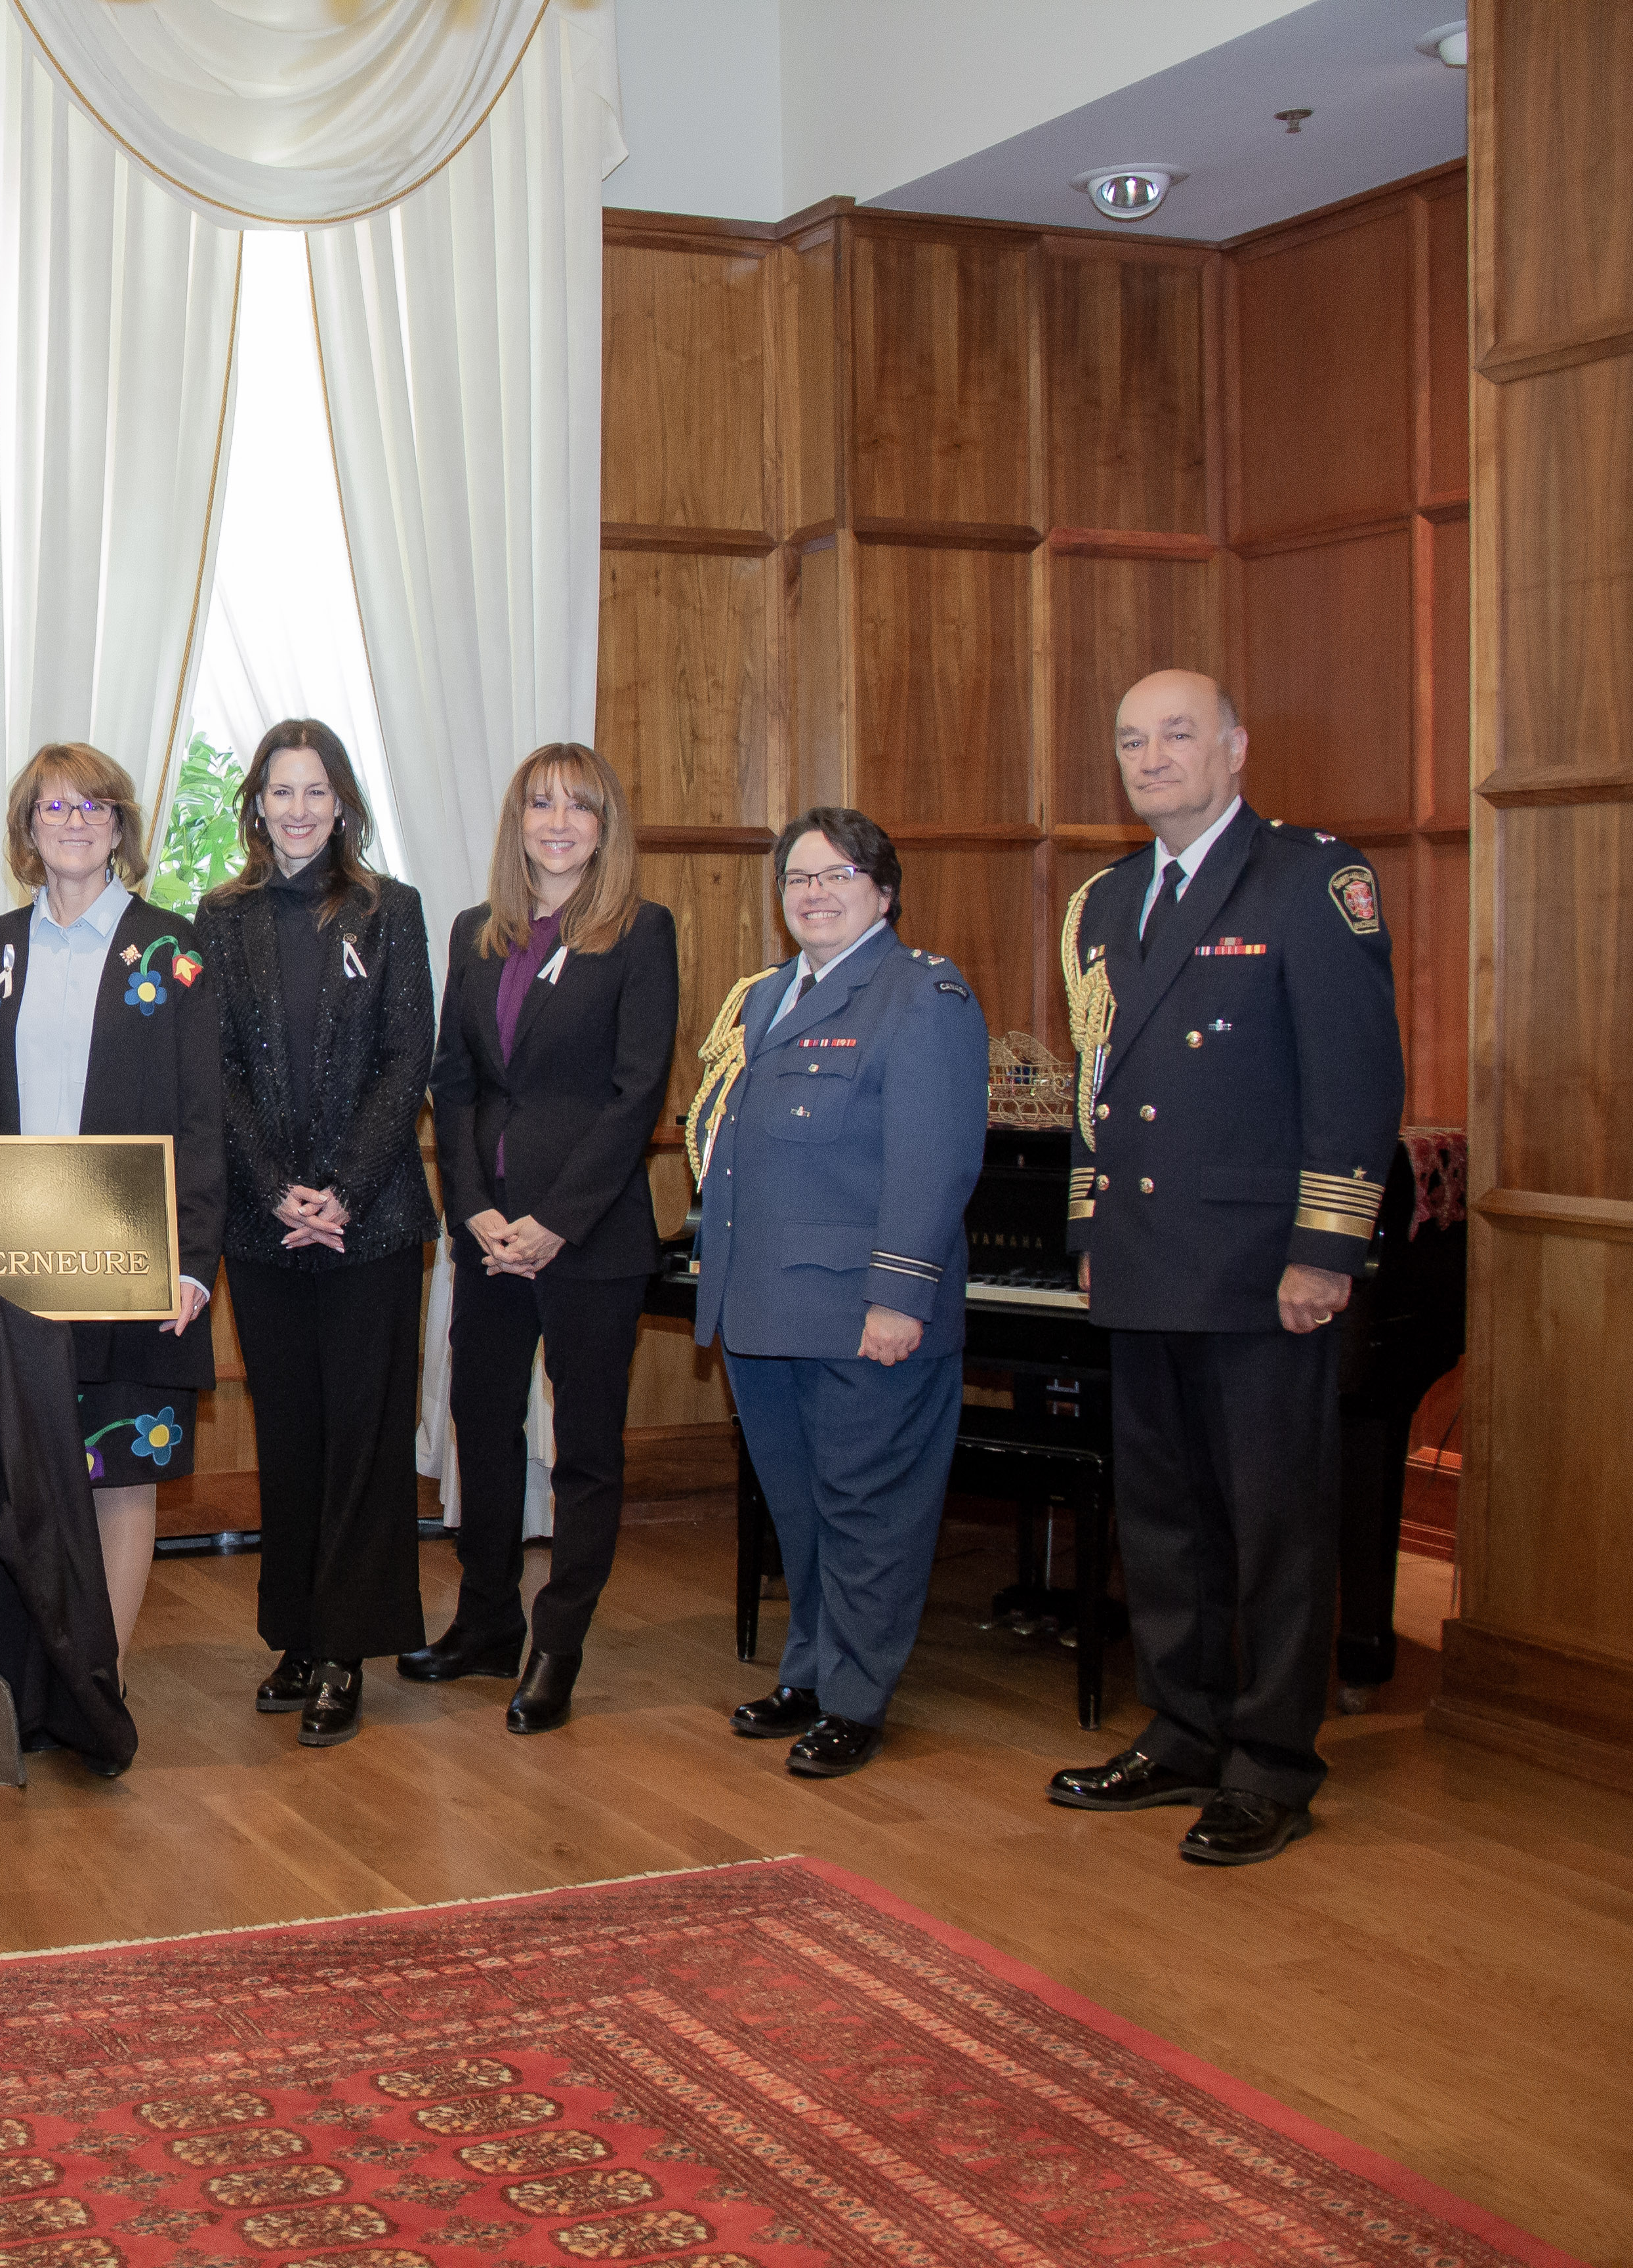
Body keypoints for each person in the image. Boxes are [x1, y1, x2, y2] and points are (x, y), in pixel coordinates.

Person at [1046, 669, 1403, 1866]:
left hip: (1261, 1268)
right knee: (1164, 1520)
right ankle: (1186, 1728)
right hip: (1146, 1263)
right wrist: (1092, 1231)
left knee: (1275, 1525)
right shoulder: (1105, 902)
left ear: (1236, 747)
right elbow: (1100, 1089)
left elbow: (1356, 1083)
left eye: (1178, 735)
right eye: (1132, 740)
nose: (1152, 758)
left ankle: (1273, 1762)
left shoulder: (1311, 881)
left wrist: (1325, 1249)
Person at [684, 808, 987, 1781]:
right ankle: (810, 1672)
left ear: (883, 891)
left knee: (869, 1514)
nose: (813, 893)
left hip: (865, 1315)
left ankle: (856, 1699)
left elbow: (935, 1164)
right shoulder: (768, 996)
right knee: (804, 1510)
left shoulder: (920, 995)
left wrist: (900, 1297)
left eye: (837, 874)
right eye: (798, 879)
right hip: (765, 1312)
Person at [412, 743, 680, 1733]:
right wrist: (475, 1206)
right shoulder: (476, 933)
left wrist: (555, 1222)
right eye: (540, 804)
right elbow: (457, 1081)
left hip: (590, 1239)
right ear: (516, 822)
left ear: (606, 825)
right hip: (488, 1236)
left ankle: (555, 1643)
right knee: (482, 1430)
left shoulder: (641, 934)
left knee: (587, 1452)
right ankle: (484, 1620)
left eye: (579, 805)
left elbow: (635, 1093)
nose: (557, 821)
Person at [0, 742, 222, 1674]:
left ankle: (101, 1679)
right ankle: (27, 1679)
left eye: (92, 806)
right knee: (18, 1473)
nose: (73, 822)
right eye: (53, 809)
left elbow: (200, 1115)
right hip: (15, 1252)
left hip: (134, 1250)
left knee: (120, 1474)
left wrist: (192, 1260)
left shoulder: (173, 950)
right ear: (27, 828)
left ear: (119, 825)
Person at [192, 720, 435, 1748]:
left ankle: (347, 1647)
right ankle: (295, 1632)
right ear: (257, 804)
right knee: (291, 1437)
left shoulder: (391, 911)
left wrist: (338, 1185)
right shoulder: (220, 915)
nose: (297, 808)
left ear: (342, 804)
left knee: (363, 1440)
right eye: (280, 791)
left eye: (315, 791)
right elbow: (216, 1070)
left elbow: (405, 1054)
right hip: (264, 1225)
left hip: (371, 1223)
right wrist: (282, 1187)